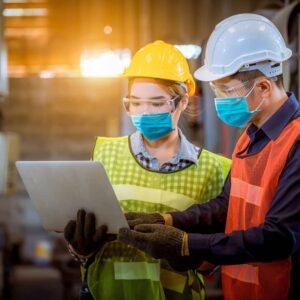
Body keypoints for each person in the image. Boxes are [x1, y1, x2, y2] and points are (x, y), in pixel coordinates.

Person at [119, 14, 300, 300]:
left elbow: (278, 238)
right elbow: (226, 206)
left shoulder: (296, 143)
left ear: (263, 87)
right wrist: (167, 220)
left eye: (226, 91)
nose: (219, 100)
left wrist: (187, 245)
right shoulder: (251, 135)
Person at [63, 40, 231, 300]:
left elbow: (215, 257)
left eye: (156, 103)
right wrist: (81, 248)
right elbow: (85, 242)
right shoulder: (105, 155)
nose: (144, 112)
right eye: (136, 103)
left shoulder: (215, 169)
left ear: (183, 102)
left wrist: (187, 255)